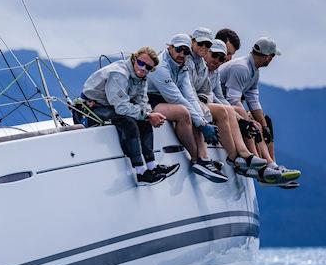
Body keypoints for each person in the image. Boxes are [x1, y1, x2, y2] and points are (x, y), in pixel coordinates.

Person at [80, 46, 180, 185]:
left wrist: (150, 114)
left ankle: (152, 166)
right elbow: (121, 107)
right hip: (91, 107)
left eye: (148, 67)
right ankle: (141, 172)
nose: (143, 68)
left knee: (144, 120)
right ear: (134, 59)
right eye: (140, 63)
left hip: (110, 104)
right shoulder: (119, 73)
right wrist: (147, 115)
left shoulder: (141, 77)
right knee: (128, 121)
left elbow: (142, 101)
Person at [219, 36, 301, 183]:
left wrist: (264, 126)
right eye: (273, 56)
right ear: (268, 57)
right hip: (220, 103)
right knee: (254, 125)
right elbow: (233, 99)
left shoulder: (253, 70)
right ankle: (262, 167)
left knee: (264, 122)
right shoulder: (242, 68)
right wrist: (249, 120)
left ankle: (272, 166)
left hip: (227, 104)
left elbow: (253, 101)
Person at [147, 33, 227, 182]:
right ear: (170, 47)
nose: (182, 54)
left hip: (164, 98)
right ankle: (196, 159)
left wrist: (202, 121)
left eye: (186, 52)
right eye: (179, 50)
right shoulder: (160, 67)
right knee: (183, 113)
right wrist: (202, 124)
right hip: (149, 100)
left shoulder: (182, 66)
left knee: (194, 111)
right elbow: (176, 98)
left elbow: (190, 96)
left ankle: (204, 159)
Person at [194, 38, 267, 174]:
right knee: (226, 110)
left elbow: (219, 96)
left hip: (204, 102)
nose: (217, 60)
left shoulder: (214, 72)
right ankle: (236, 157)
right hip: (195, 103)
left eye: (221, 58)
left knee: (237, 110)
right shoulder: (199, 67)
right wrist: (239, 117)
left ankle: (255, 157)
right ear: (207, 53)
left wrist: (241, 117)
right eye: (214, 55)